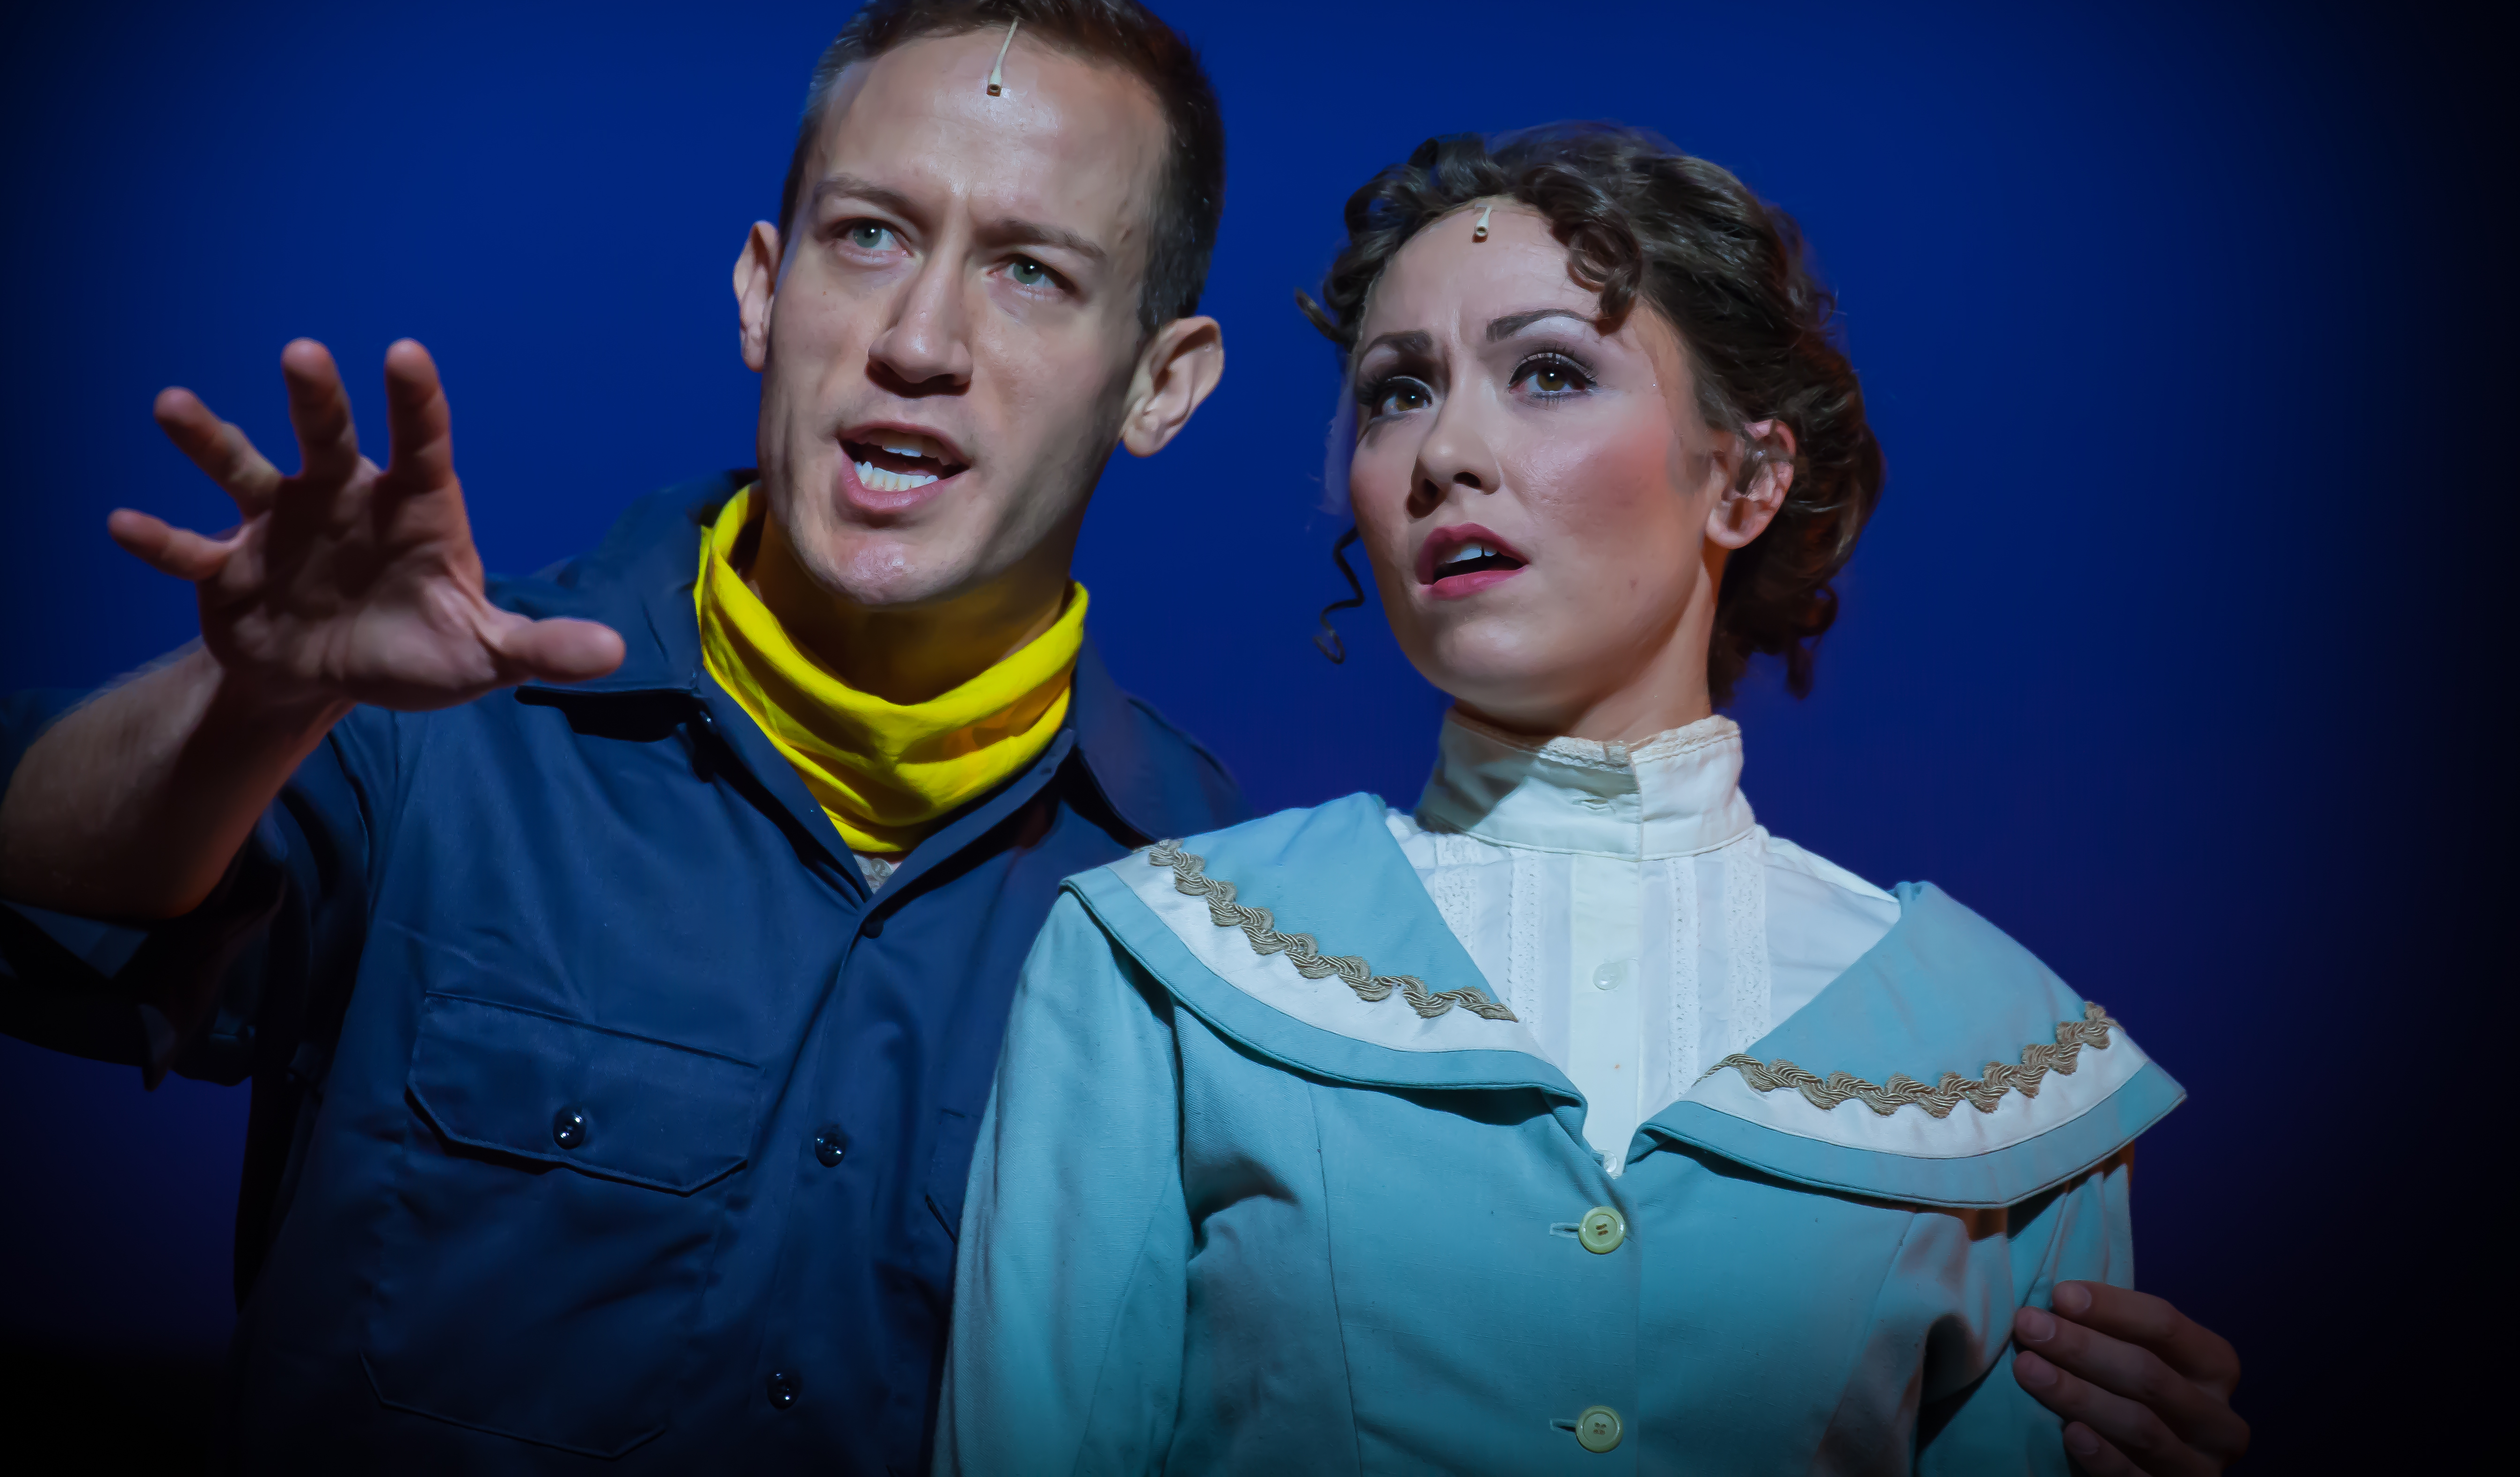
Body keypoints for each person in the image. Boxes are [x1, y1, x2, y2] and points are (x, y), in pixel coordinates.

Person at [0, 0, 1247, 1473]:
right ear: (762, 287)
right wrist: (249, 702)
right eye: (868, 236)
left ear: (1162, 386)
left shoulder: (1219, 918)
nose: (919, 341)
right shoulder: (425, 722)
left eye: (1029, 274)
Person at [939, 125, 2253, 1475]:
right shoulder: (1159, 959)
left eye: (1550, 373)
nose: (1446, 448)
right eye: (1398, 392)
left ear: (1746, 478)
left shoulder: (2007, 1063)